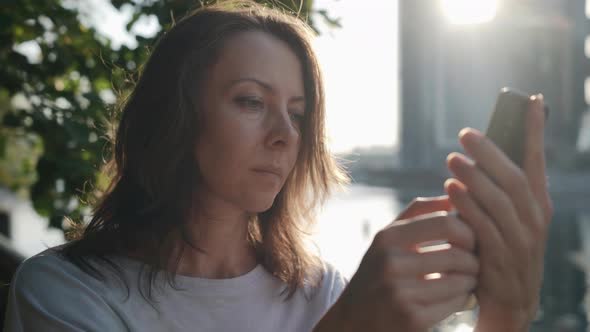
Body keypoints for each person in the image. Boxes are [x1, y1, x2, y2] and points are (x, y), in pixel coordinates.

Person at [3, 1, 553, 331]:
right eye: (250, 101)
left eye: (298, 112)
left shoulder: (320, 291)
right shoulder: (63, 293)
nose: (285, 134)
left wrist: (507, 313)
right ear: (174, 114)